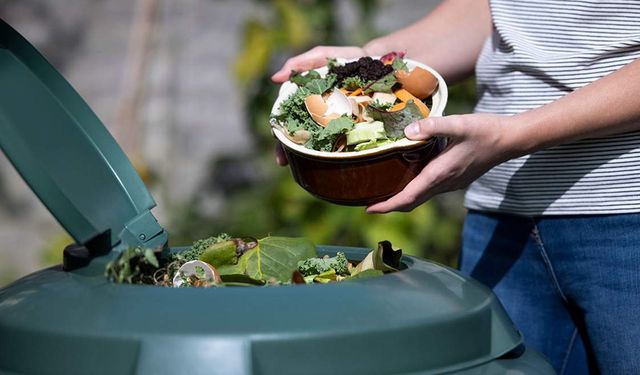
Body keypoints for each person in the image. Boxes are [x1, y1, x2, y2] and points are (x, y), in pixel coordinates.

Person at [271, 0, 640, 374]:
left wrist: (516, 134)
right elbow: (499, 10)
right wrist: (365, 63)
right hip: (501, 220)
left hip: (625, 220)